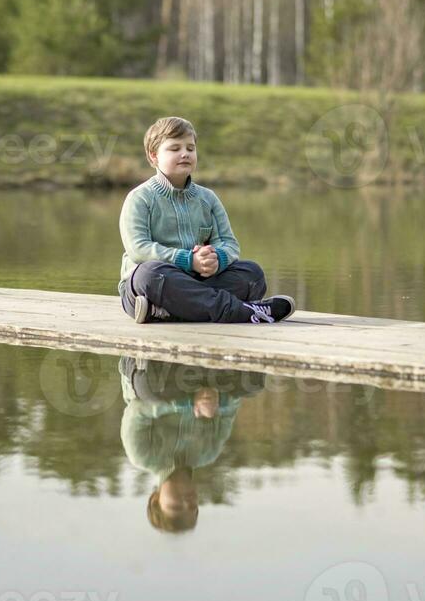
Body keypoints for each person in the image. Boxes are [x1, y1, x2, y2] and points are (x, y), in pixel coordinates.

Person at [117, 116, 296, 325]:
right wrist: (187, 259)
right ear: (153, 156)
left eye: (190, 148)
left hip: (195, 283)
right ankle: (239, 311)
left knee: (252, 274)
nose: (185, 153)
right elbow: (138, 249)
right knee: (149, 274)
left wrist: (215, 260)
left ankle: (165, 311)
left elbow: (229, 244)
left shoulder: (207, 198)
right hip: (145, 287)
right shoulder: (140, 198)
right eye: (174, 148)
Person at [118, 357, 266, 533]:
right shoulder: (208, 453)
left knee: (149, 388)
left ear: (155, 500)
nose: (187, 503)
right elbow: (230, 410)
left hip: (152, 376)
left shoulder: (142, 456)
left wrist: (189, 403)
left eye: (176, 508)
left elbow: (137, 409)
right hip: (196, 378)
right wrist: (218, 401)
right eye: (193, 508)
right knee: (253, 384)